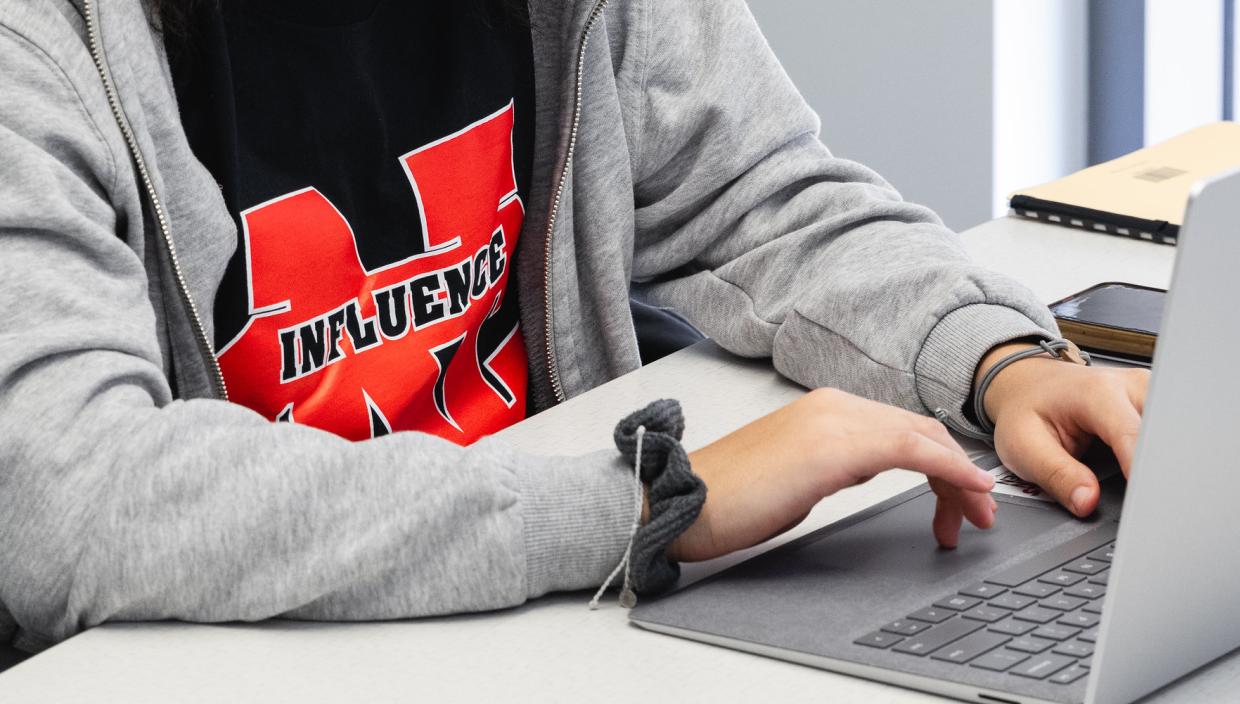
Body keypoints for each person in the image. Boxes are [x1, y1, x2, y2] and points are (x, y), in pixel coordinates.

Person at [0, 0, 1147, 655]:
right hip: (234, 676)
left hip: (556, 634)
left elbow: (761, 194)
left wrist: (996, 357)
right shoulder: (36, 51)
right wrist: (640, 508)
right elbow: (75, 496)